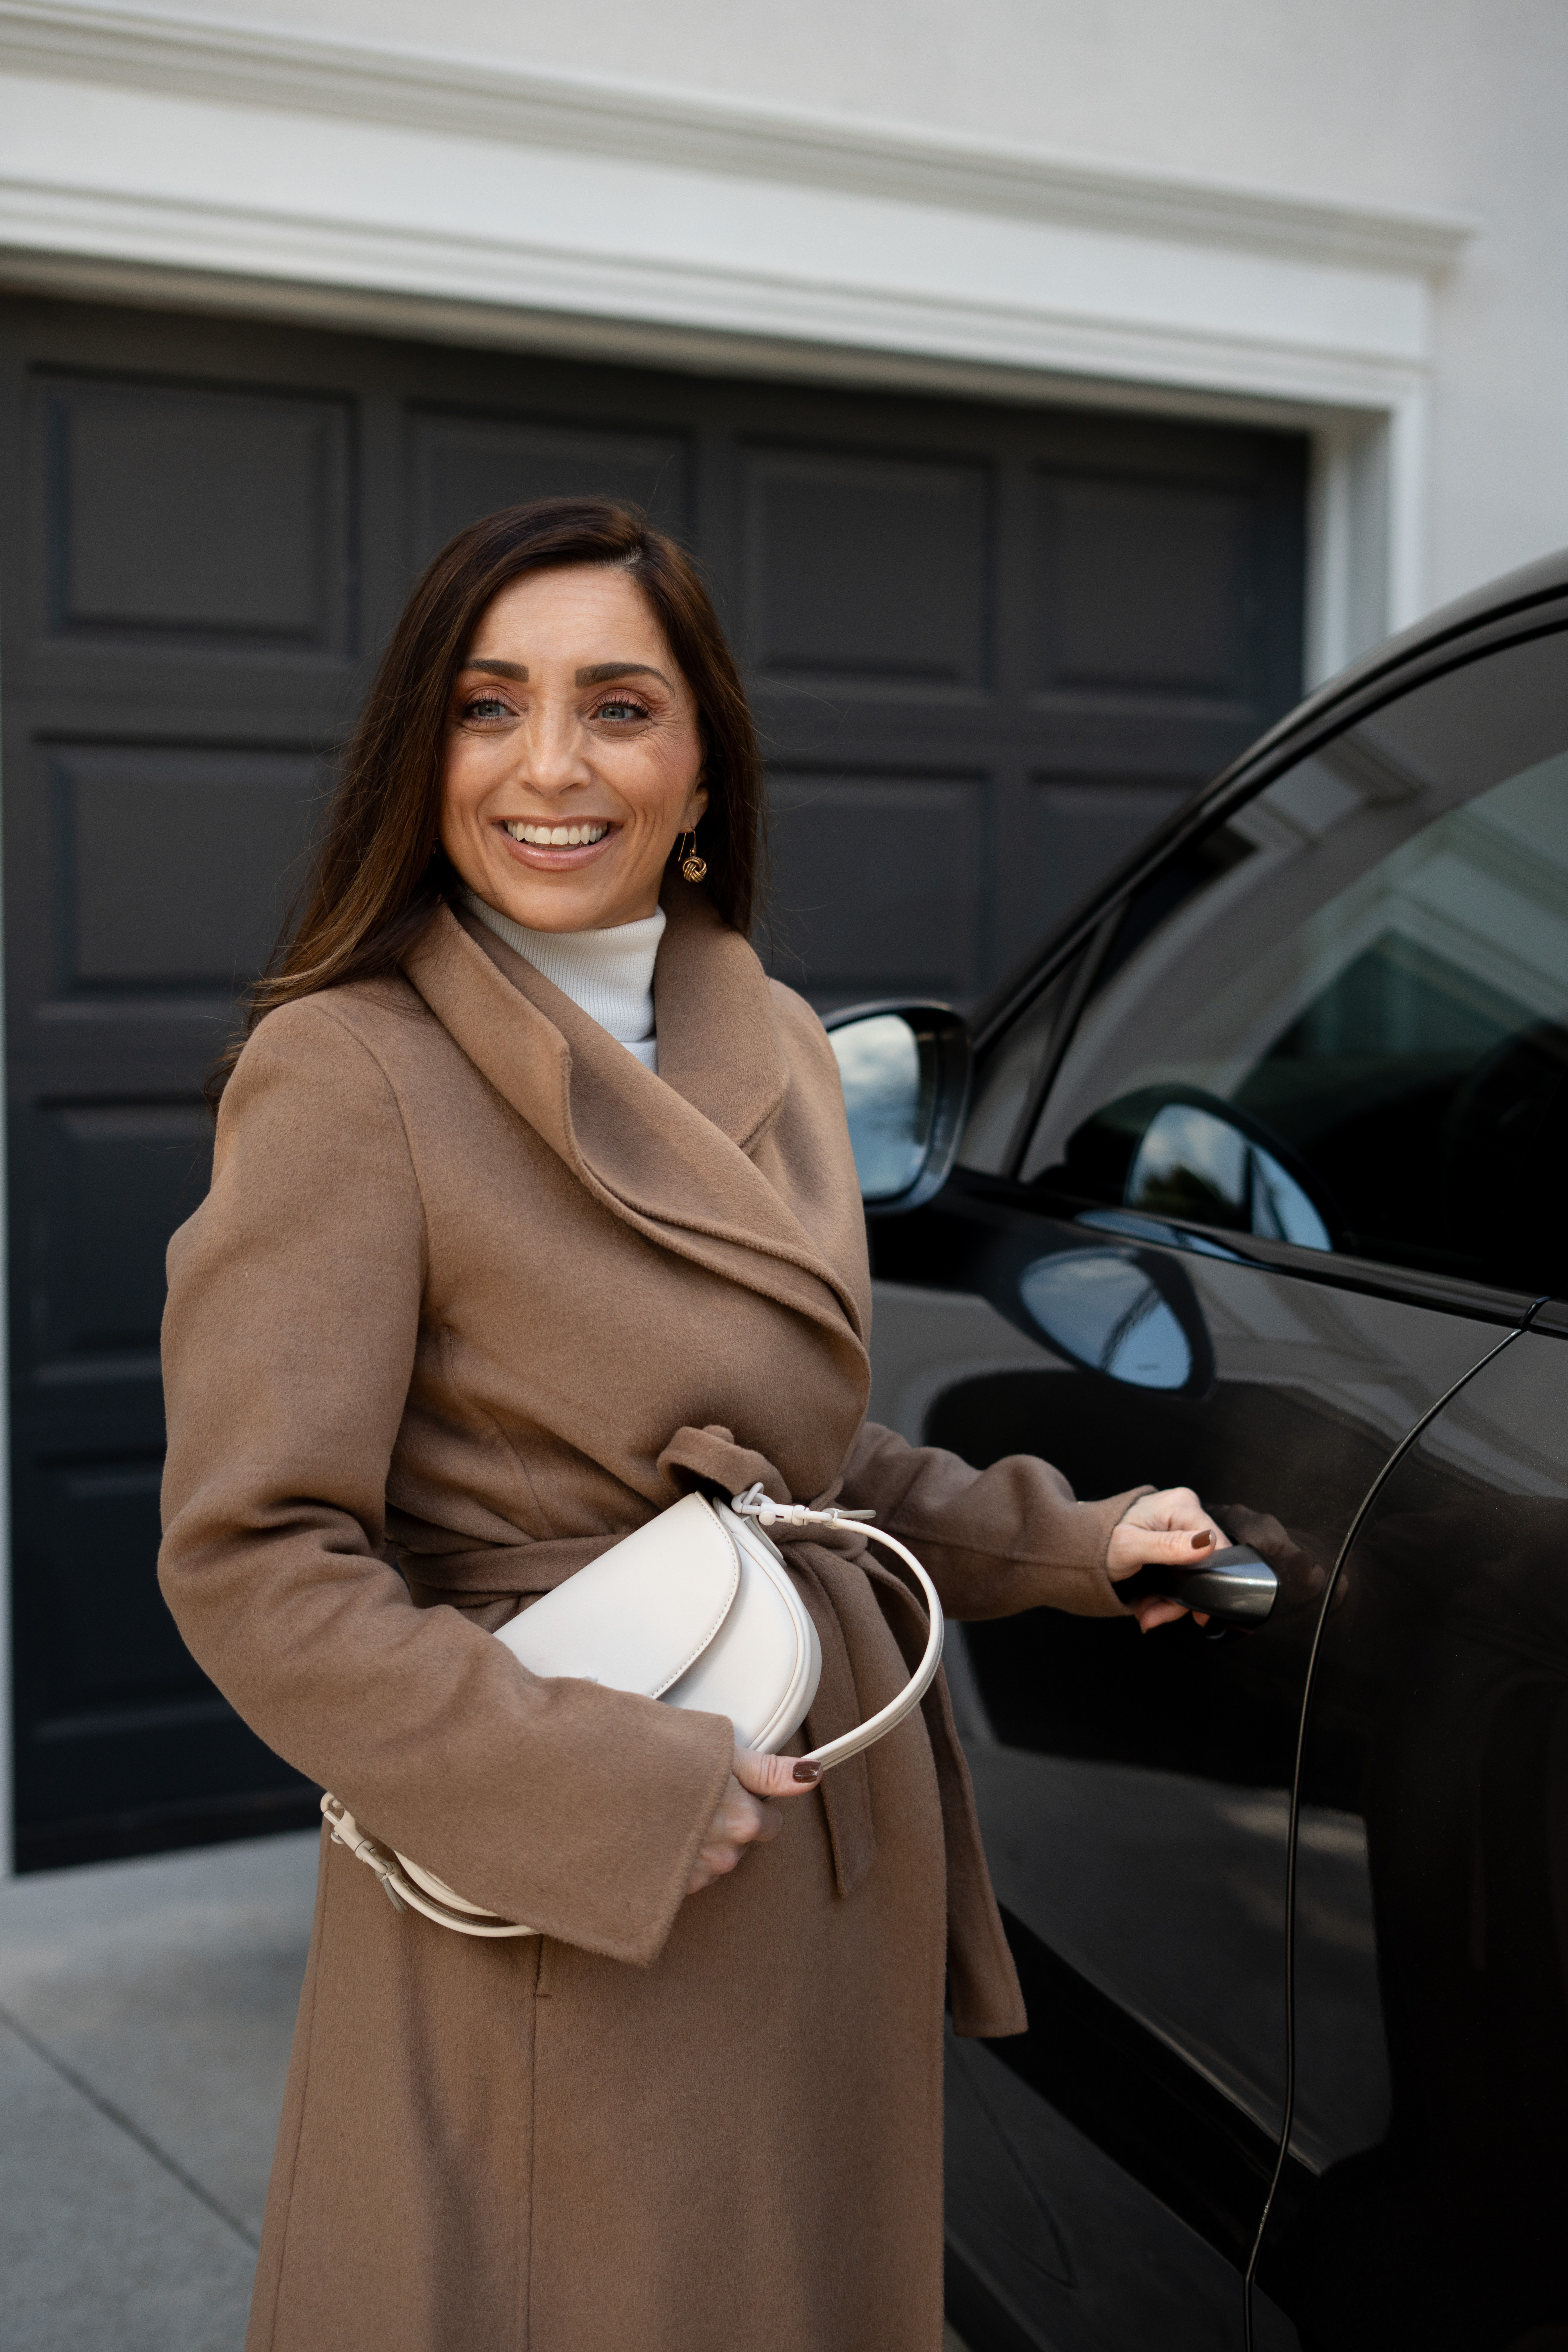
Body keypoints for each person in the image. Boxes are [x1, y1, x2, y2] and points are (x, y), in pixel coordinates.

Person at [158, 497, 1223, 2352]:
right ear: (427, 757)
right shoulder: (348, 1071)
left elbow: (798, 1462)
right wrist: (593, 1786)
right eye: (489, 707)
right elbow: (256, 1558)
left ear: (704, 765)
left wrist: (1063, 1541)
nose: (548, 765)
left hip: (813, 1846)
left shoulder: (776, 1039)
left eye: (618, 706)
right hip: (570, 1860)